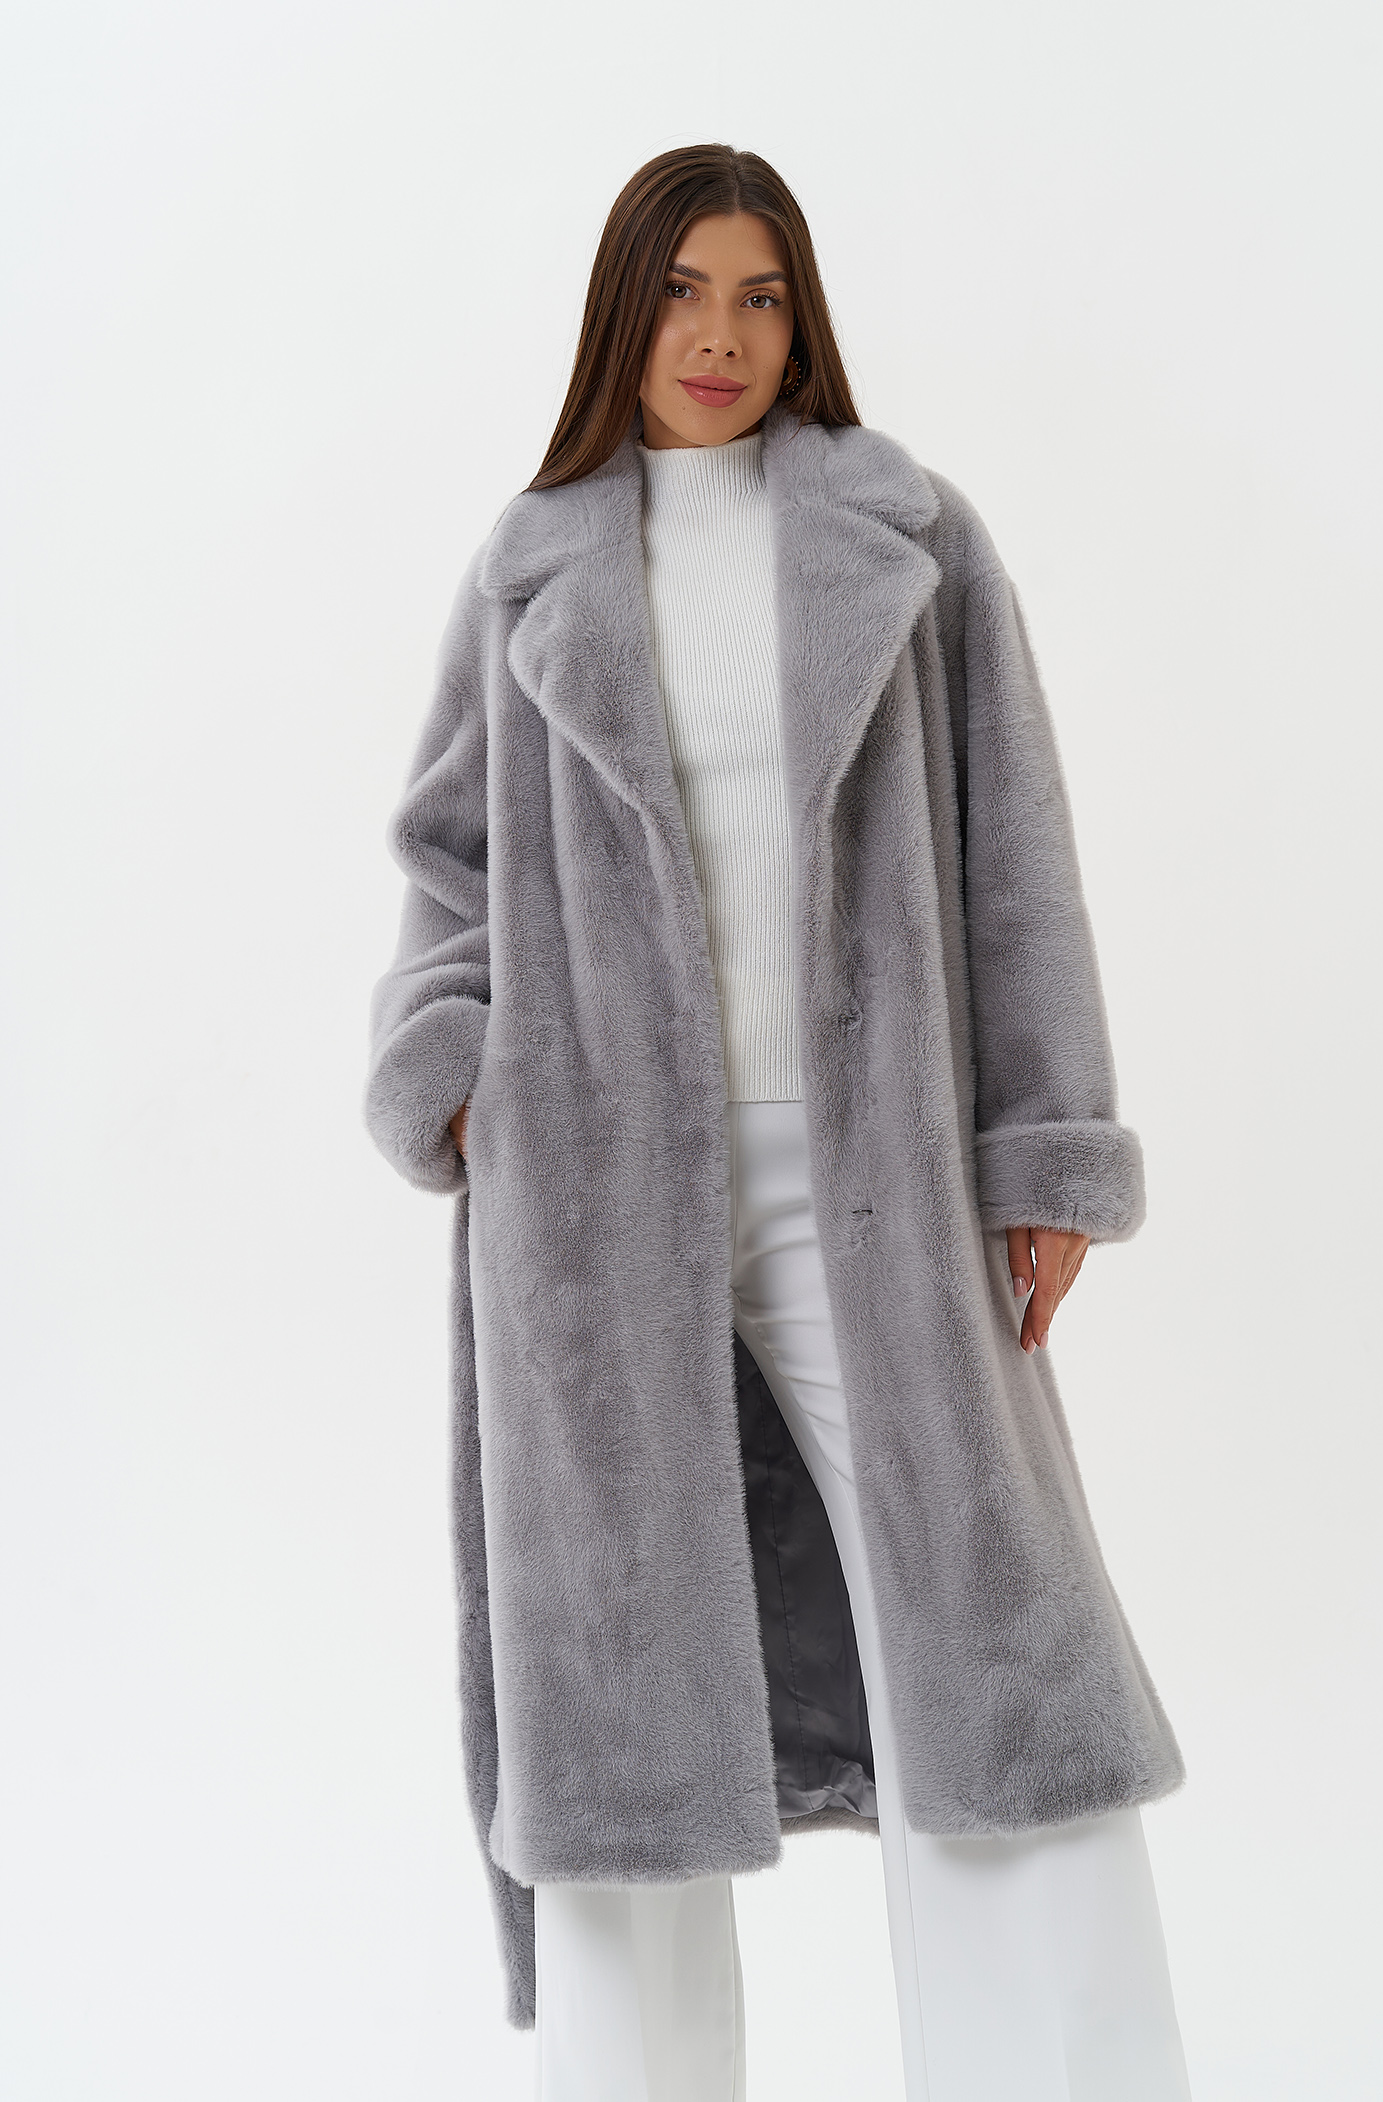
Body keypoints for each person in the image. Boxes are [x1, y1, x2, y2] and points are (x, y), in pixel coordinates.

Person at [366, 142, 1192, 2101]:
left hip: (873, 1183)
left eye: (756, 296)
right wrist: (453, 1066)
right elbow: (449, 863)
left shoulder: (905, 536)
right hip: (590, 1206)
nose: (718, 336)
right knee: (617, 1705)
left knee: (991, 1658)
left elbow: (1015, 865)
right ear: (622, 314)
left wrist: (1041, 1150)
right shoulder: (531, 560)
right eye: (679, 294)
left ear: (799, 318)